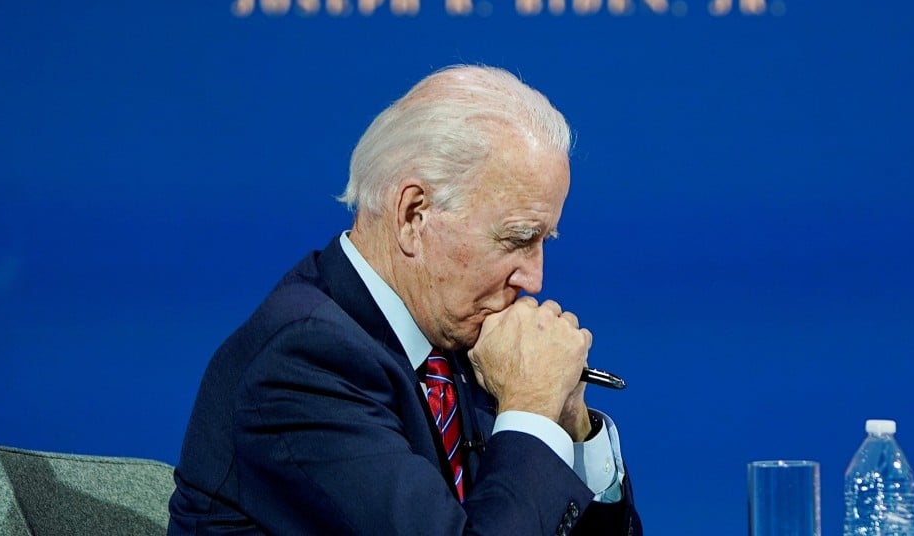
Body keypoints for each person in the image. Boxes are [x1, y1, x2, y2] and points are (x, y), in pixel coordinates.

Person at [167, 64, 642, 535]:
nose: (534, 279)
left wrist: (570, 423)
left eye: (545, 240)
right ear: (414, 215)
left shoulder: (462, 336)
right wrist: (531, 406)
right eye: (518, 239)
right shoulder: (302, 366)